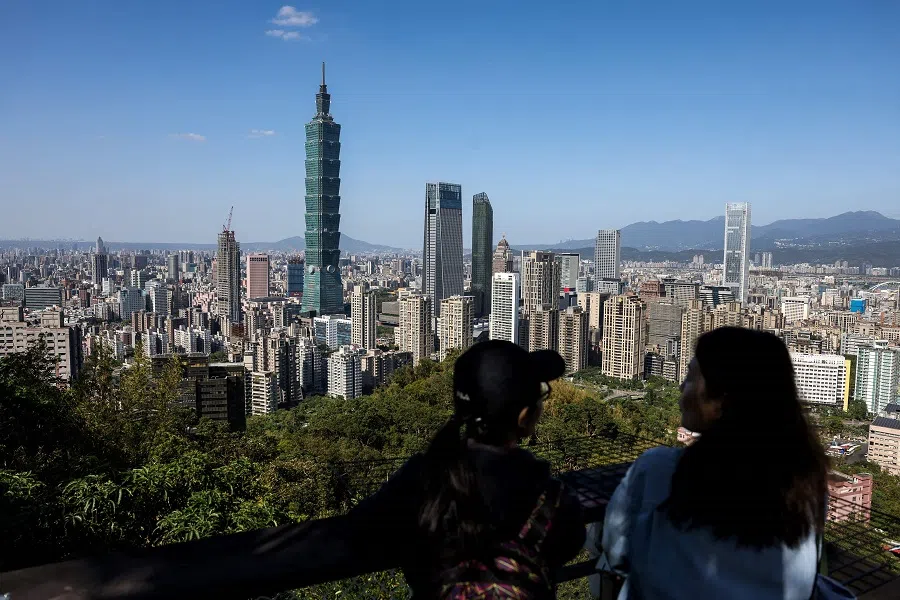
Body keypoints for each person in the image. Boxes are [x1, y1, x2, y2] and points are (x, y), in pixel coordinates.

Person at [587, 327, 828, 600]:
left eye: (690, 377)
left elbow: (616, 550)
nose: (681, 386)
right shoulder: (806, 488)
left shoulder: (661, 470)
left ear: (720, 400)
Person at [347, 340, 585, 598]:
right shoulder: (552, 500)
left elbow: (356, 530)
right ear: (524, 417)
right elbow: (569, 544)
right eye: (541, 393)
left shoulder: (421, 480)